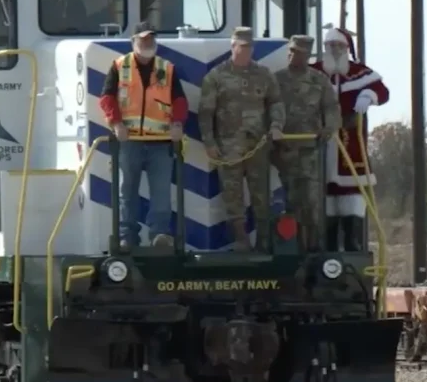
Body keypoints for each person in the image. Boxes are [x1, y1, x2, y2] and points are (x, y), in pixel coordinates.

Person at [99, 21, 188, 248]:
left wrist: (178, 123)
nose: (147, 43)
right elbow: (107, 98)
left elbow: (179, 100)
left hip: (160, 143)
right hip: (129, 142)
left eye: (151, 39)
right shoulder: (120, 66)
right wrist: (116, 123)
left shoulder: (166, 68)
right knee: (127, 193)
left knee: (161, 195)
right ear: (134, 42)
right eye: (143, 39)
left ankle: (159, 236)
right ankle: (127, 237)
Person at [199, 27, 284, 252]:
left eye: (249, 47)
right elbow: (206, 112)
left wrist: (276, 126)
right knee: (232, 196)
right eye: (242, 47)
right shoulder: (216, 77)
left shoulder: (264, 75)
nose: (246, 51)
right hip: (228, 148)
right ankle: (241, 240)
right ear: (233, 47)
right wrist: (209, 143)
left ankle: (264, 241)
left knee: (261, 195)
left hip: (258, 146)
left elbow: (276, 103)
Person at [312, 27, 390, 251]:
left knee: (352, 199)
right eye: (330, 46)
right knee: (323, 198)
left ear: (347, 49)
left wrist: (369, 95)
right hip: (319, 142)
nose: (334, 50)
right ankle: (326, 248)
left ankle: (352, 245)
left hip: (350, 143)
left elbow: (382, 91)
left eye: (339, 46)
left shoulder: (360, 73)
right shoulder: (314, 72)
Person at [273, 35, 340, 252]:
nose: (293, 56)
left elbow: (331, 108)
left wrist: (328, 128)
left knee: (313, 203)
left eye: (299, 52)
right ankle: (294, 248)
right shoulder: (276, 80)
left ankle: (315, 248)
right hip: (284, 152)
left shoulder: (319, 81)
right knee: (291, 203)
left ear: (307, 55)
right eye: (291, 51)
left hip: (311, 152)